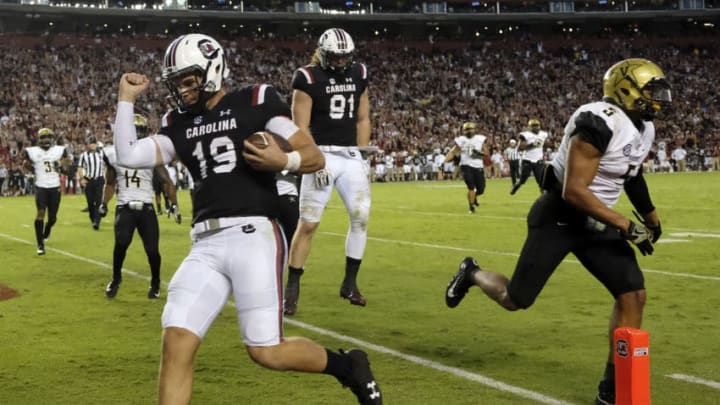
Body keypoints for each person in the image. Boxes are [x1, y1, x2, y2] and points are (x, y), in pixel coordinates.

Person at [112, 33, 382, 405]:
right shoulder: (178, 121)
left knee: (267, 351)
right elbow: (127, 154)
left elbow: (313, 156)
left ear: (212, 70)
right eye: (177, 83)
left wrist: (283, 161)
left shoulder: (256, 100)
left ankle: (347, 366)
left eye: (189, 80)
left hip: (254, 235)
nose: (183, 91)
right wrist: (125, 101)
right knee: (176, 340)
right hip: (204, 244)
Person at [443, 58, 670, 405]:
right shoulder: (598, 121)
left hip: (599, 222)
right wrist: (626, 224)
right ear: (626, 90)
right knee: (515, 299)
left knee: (632, 294)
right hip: (560, 216)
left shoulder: (644, 128)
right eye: (650, 91)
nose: (658, 99)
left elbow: (632, 176)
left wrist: (651, 220)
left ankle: (611, 389)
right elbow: (574, 191)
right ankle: (472, 272)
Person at [283, 27, 372, 316]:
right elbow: (300, 127)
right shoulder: (307, 77)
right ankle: (292, 292)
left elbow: (362, 118)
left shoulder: (358, 72)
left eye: (344, 57)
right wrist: (313, 159)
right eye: (335, 57)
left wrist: (363, 155)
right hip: (321, 153)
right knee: (308, 223)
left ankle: (350, 284)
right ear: (322, 53)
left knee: (361, 218)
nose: (340, 62)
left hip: (348, 156)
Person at [101, 114, 181, 299]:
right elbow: (110, 183)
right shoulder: (114, 154)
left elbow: (167, 182)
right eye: (133, 131)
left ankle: (155, 282)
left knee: (152, 250)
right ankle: (116, 278)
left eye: (139, 131)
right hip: (125, 206)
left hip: (146, 206)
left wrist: (175, 204)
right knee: (121, 244)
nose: (136, 135)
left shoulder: (152, 154)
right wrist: (104, 203)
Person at [22, 128, 71, 255]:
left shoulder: (59, 150)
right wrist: (28, 171)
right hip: (41, 187)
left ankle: (48, 228)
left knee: (52, 218)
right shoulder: (32, 151)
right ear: (39, 139)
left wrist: (60, 166)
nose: (46, 139)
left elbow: (67, 169)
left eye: (48, 137)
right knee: (40, 213)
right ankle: (40, 244)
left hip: (55, 187)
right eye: (43, 137)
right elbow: (25, 166)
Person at [441, 122, 488, 214]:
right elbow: (453, 152)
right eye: (467, 130)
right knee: (471, 187)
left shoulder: (480, 139)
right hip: (465, 165)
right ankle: (471, 207)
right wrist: (444, 161)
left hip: (478, 166)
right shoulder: (461, 140)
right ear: (463, 131)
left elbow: (486, 153)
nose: (469, 131)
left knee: (481, 189)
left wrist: (478, 153)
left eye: (470, 129)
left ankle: (474, 197)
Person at [510, 118, 549, 195]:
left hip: (538, 160)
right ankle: (515, 187)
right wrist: (532, 145)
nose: (536, 127)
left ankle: (544, 196)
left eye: (537, 125)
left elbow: (544, 144)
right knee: (522, 180)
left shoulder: (543, 134)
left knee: (541, 181)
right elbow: (519, 148)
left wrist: (551, 145)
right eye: (534, 126)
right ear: (529, 127)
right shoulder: (525, 135)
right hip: (527, 160)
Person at [78, 135, 106, 229]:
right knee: (90, 203)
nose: (93, 145)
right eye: (91, 143)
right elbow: (80, 167)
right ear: (88, 145)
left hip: (99, 179)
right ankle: (93, 218)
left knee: (98, 201)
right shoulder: (84, 155)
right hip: (89, 179)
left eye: (94, 143)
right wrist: (82, 178)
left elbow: (108, 165)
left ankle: (96, 222)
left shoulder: (102, 153)